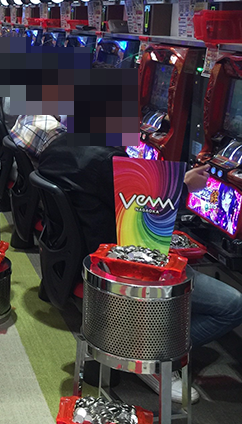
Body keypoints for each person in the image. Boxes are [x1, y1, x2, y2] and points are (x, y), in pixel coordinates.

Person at [36, 133, 242, 404]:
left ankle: (142, 336)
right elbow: (149, 211)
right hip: (122, 267)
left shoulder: (58, 144)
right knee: (233, 305)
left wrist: (175, 181)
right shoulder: (108, 160)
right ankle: (149, 355)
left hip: (77, 261)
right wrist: (185, 186)